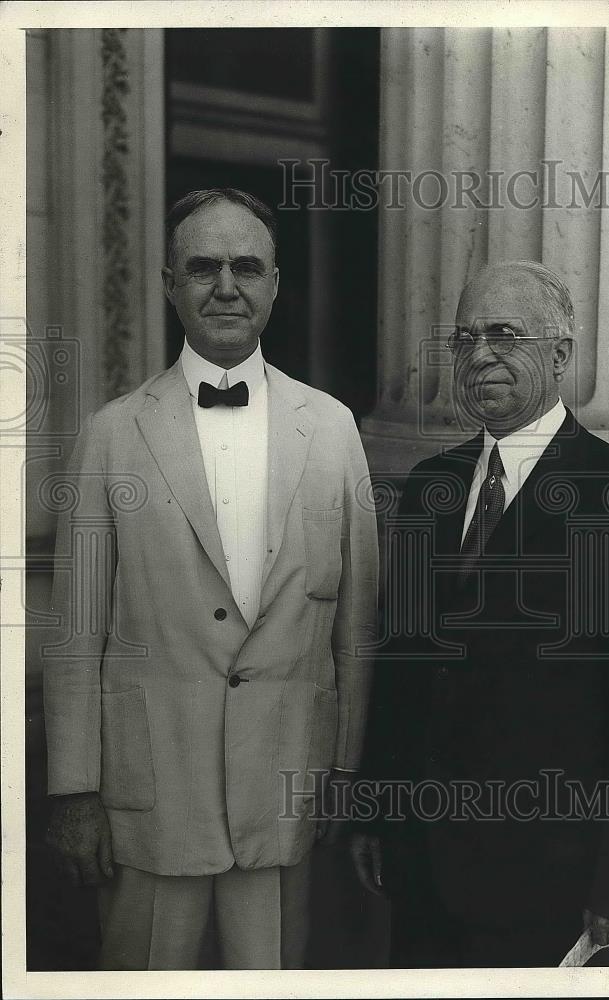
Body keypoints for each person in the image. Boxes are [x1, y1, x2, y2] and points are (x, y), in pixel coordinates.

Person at [43, 188, 378, 970]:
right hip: (151, 801)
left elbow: (356, 626)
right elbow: (75, 634)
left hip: (286, 795)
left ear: (274, 284)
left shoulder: (332, 429)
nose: (226, 287)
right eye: (202, 268)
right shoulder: (111, 434)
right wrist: (73, 792)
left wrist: (347, 770)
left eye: (246, 267)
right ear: (169, 283)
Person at [352, 260, 609, 968]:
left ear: (560, 354)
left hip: (551, 886)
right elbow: (402, 671)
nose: (479, 355)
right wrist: (376, 815)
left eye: (504, 335)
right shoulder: (429, 488)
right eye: (464, 338)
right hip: (421, 871)